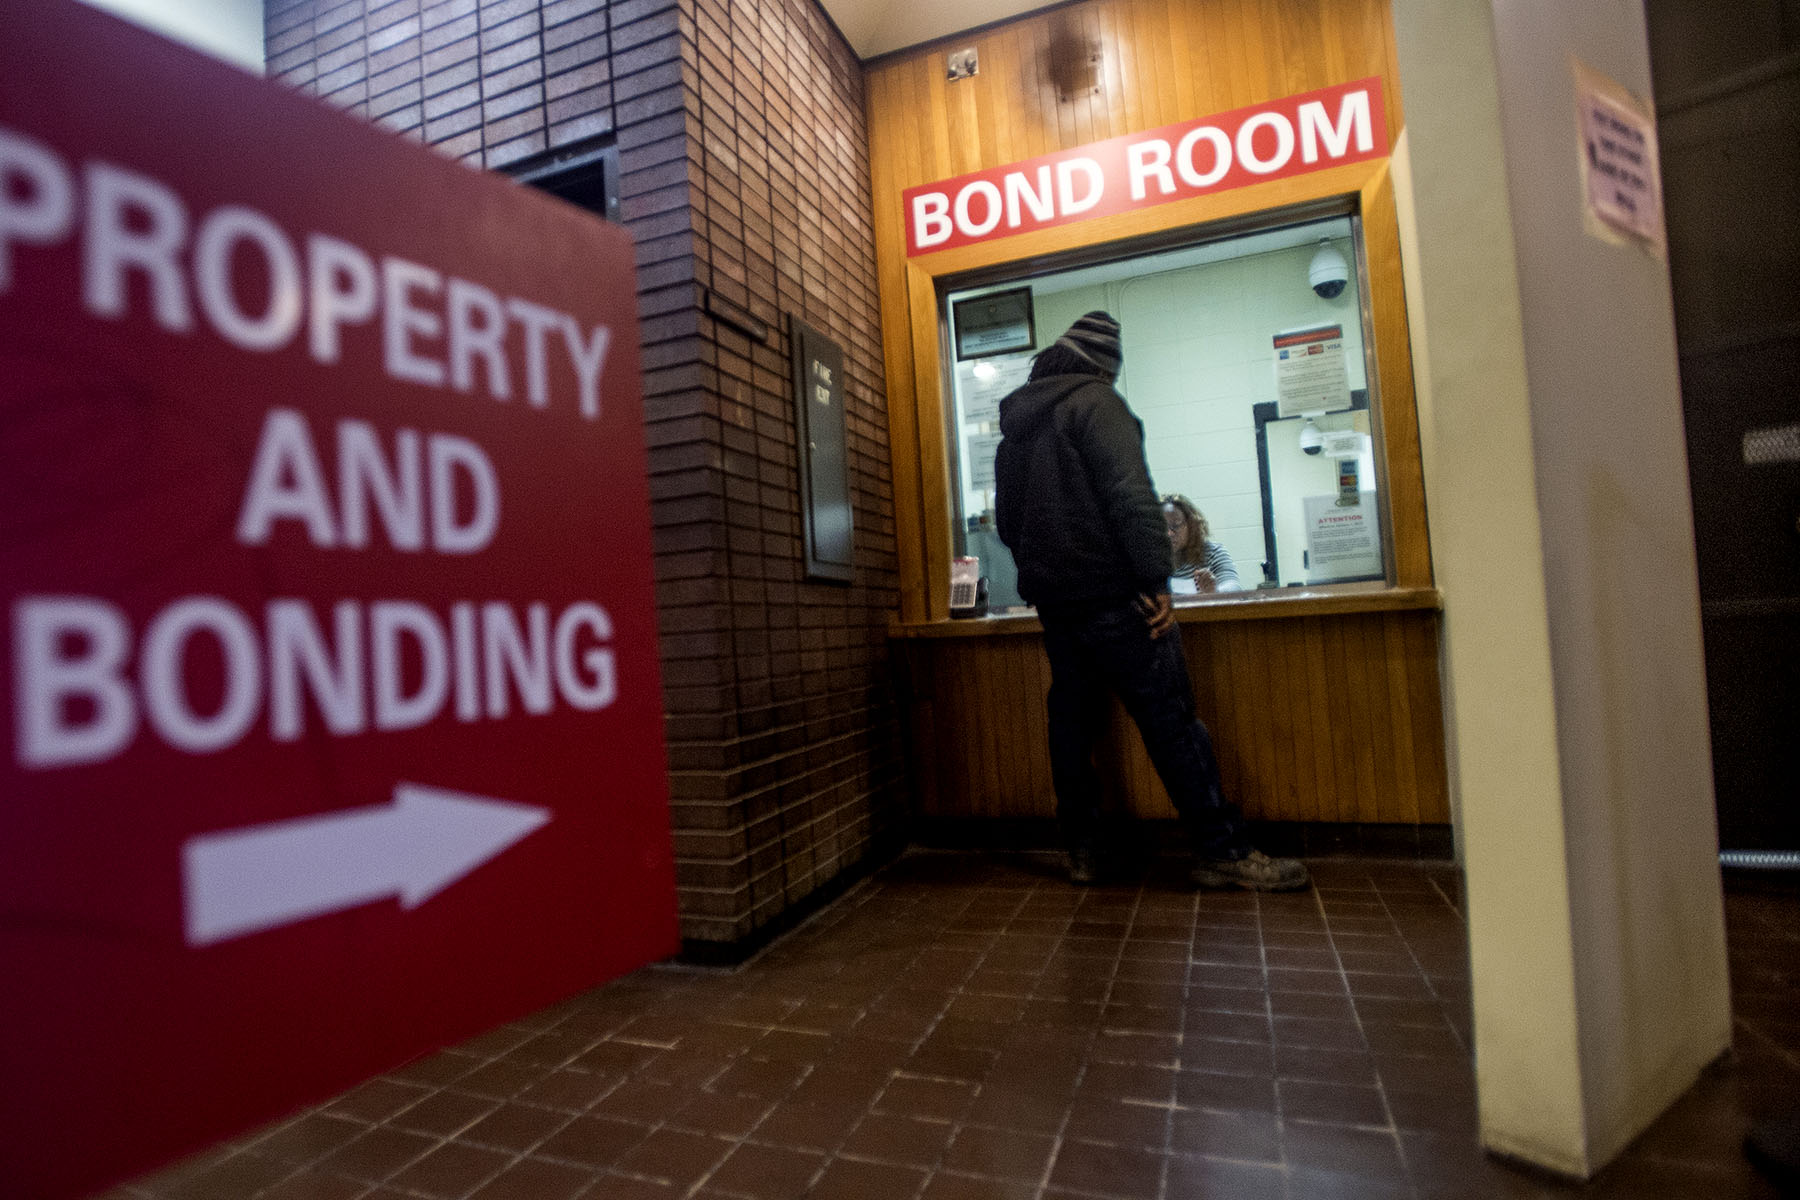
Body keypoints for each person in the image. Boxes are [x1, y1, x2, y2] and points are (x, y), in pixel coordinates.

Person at [993, 311, 1309, 891]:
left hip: (1058, 607)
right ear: (1102, 368)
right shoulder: (1097, 405)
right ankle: (1223, 849)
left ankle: (1086, 852)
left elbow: (1008, 525)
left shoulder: (1017, 430)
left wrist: (1050, 577)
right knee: (1171, 723)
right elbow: (1133, 501)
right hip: (1119, 600)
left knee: (1073, 725)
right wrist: (1157, 580)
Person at [1162, 493, 1243, 593]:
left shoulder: (1213, 552)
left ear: (1191, 526)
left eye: (1176, 525)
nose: (1169, 533)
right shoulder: (1145, 559)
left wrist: (1214, 591)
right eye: (1162, 526)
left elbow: (1234, 588)